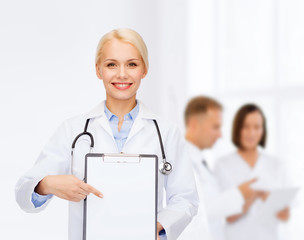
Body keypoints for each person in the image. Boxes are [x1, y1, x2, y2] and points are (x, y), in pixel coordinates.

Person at [15, 28, 199, 240]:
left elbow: (185, 199)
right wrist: (46, 184)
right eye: (111, 64)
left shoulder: (166, 132)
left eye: (132, 64)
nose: (122, 74)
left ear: (144, 70)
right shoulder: (73, 130)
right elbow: (23, 192)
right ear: (98, 70)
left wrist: (157, 228)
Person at [178, 96, 258, 240]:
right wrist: (239, 194)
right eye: (215, 127)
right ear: (194, 124)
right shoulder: (180, 160)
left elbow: (214, 208)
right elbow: (198, 211)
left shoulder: (200, 161)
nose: (220, 135)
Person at [214, 103, 290, 240]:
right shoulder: (222, 165)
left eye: (257, 127)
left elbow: (285, 216)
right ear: (237, 129)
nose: (251, 133)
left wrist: (273, 202)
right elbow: (228, 216)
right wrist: (255, 195)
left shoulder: (276, 165)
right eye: (245, 127)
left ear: (263, 130)